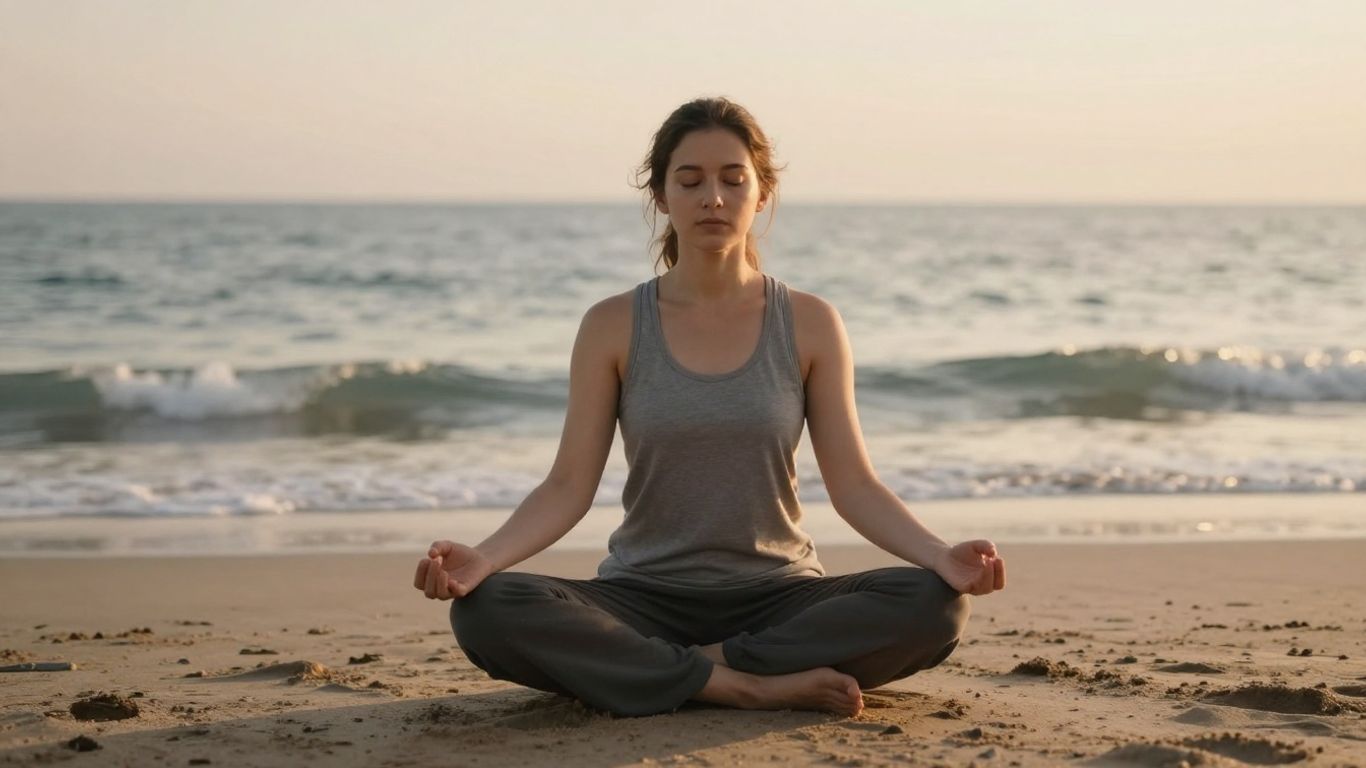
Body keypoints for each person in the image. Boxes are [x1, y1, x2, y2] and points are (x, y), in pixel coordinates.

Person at [413, 96, 1006, 718]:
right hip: (642, 599)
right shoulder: (613, 325)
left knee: (933, 602)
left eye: (733, 178)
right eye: (689, 180)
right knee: (486, 608)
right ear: (662, 198)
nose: (713, 198)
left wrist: (940, 556)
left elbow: (855, 484)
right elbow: (567, 485)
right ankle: (745, 685)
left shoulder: (809, 323)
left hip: (778, 598)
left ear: (762, 192)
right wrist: (485, 558)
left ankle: (679, 670)